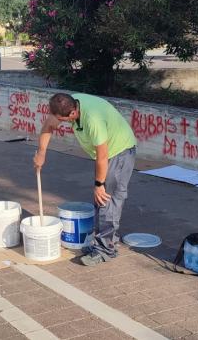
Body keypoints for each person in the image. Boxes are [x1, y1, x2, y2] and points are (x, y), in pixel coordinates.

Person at [33, 92, 137, 266]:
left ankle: (106, 250)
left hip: (119, 153)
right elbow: (48, 126)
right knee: (102, 202)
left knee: (105, 200)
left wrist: (99, 184)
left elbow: (102, 157)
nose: (58, 122)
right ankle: (105, 241)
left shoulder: (93, 120)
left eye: (61, 119)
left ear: (72, 113)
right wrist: (41, 153)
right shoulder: (64, 103)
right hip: (106, 155)